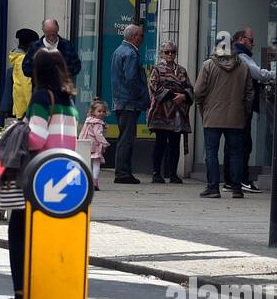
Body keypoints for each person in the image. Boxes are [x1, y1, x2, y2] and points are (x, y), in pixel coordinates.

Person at [0, 49, 79, 299]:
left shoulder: (42, 97)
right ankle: (46, 293)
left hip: (36, 176)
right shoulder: (69, 102)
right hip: (63, 177)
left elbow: (37, 138)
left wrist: (19, 129)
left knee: (18, 234)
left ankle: (21, 296)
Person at [193, 31, 253, 199]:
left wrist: (203, 106)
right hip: (236, 117)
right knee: (236, 153)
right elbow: (249, 94)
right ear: (232, 45)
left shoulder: (208, 65)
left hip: (212, 116)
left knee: (211, 152)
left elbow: (197, 91)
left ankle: (213, 187)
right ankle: (236, 188)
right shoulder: (243, 66)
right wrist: (244, 111)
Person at [225, 27, 275, 193]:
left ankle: (231, 180)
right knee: (242, 144)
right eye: (251, 40)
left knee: (233, 144)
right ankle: (240, 179)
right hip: (241, 106)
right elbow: (259, 74)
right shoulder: (241, 57)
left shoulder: (232, 56)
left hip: (233, 106)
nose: (253, 44)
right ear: (241, 39)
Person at [147, 41, 194, 183]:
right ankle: (156, 173)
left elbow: (190, 88)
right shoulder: (157, 69)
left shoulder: (182, 70)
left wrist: (184, 96)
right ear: (162, 53)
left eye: (172, 52)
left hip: (179, 112)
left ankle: (173, 173)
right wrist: (172, 94)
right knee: (160, 142)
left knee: (175, 142)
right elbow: (153, 87)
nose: (169, 54)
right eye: (166, 52)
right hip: (162, 112)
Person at [110, 23, 151, 183]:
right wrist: (142, 95)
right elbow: (132, 78)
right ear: (134, 37)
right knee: (127, 138)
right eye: (141, 36)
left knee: (123, 137)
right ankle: (122, 173)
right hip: (129, 102)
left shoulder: (118, 51)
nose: (142, 39)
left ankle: (122, 171)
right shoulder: (131, 54)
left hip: (120, 100)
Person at [0, 27, 39, 123]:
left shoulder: (18, 59)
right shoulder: (23, 61)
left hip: (22, 108)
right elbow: (26, 86)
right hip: (26, 110)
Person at [80, 99, 110, 191]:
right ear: (93, 112)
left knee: (86, 163)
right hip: (95, 146)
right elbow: (98, 135)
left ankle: (86, 181)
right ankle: (94, 182)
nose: (101, 113)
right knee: (96, 164)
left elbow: (82, 132)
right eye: (99, 111)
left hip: (86, 145)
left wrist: (80, 141)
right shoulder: (98, 123)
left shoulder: (87, 121)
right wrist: (105, 143)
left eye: (103, 111)